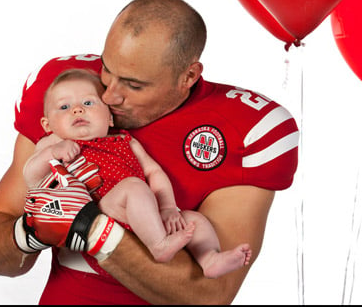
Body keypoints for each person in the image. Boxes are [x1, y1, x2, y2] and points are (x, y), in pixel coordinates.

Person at [0, 0, 299, 304]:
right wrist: (30, 232)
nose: (109, 96)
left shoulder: (246, 129)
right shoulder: (68, 93)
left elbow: (210, 295)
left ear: (188, 76)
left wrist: (94, 228)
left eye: (133, 85)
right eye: (107, 71)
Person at [22, 68, 252, 277]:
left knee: (193, 220)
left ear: (110, 117)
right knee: (133, 187)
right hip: (102, 210)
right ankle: (159, 246)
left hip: (144, 212)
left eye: (89, 103)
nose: (77, 109)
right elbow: (31, 176)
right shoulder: (53, 143)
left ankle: (209, 258)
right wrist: (54, 152)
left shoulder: (124, 140)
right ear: (47, 124)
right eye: (64, 107)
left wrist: (168, 208)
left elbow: (154, 172)